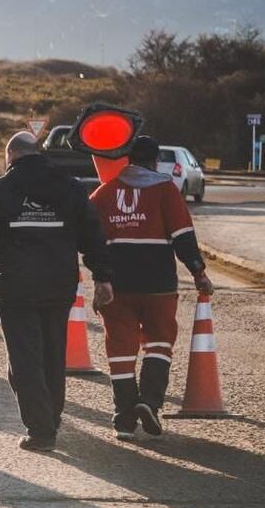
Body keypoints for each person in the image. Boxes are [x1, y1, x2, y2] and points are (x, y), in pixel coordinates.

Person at [0, 132, 114, 451]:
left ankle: (41, 430)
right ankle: (50, 419)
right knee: (52, 354)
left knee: (24, 358)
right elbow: (92, 235)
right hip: (59, 285)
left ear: (11, 155)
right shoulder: (70, 188)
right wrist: (103, 277)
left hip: (15, 286)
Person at [89, 136, 214, 441]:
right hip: (158, 283)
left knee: (119, 347)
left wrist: (97, 277)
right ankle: (149, 402)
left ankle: (123, 419)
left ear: (127, 160)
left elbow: (88, 237)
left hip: (117, 284)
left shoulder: (104, 193)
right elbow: (184, 237)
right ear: (156, 161)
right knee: (159, 341)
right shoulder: (165, 190)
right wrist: (199, 274)